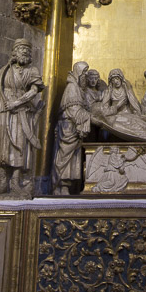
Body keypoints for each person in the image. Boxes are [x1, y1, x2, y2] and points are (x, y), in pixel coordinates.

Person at [0, 39, 44, 195]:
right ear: (14, 52)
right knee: (1, 144)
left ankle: (16, 180)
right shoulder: (4, 70)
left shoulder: (32, 71)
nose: (24, 51)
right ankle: (2, 177)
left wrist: (16, 103)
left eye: (26, 49)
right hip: (2, 109)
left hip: (21, 111)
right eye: (21, 49)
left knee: (20, 144)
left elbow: (34, 90)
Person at [51, 61, 91, 195]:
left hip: (74, 129)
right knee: (64, 158)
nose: (86, 75)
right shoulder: (72, 87)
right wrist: (89, 116)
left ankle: (66, 186)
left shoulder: (78, 88)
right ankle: (60, 185)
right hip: (68, 128)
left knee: (73, 159)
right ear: (78, 72)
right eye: (84, 72)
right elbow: (73, 110)